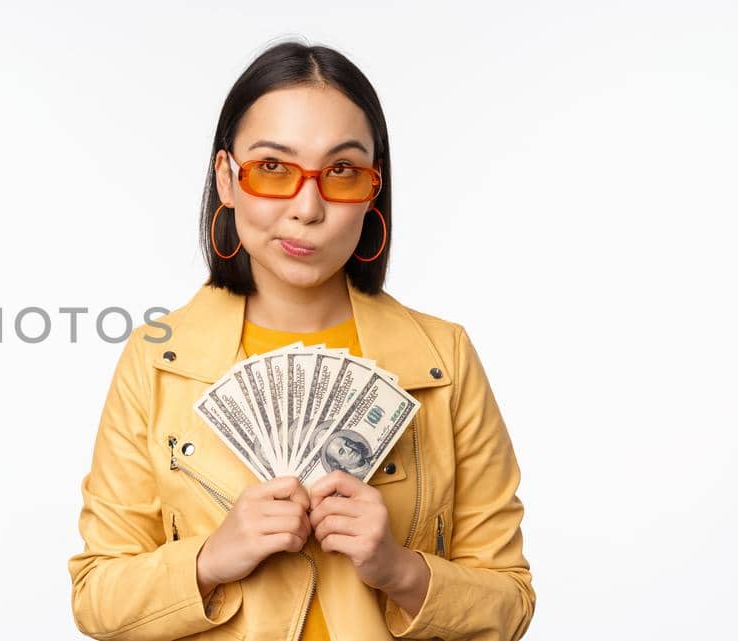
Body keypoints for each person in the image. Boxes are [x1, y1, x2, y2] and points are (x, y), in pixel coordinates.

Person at [67, 40, 534, 641]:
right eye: (273, 169)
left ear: (372, 191)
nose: (307, 208)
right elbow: (96, 599)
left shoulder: (443, 358)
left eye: (341, 171)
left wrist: (400, 570)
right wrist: (210, 559)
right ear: (227, 180)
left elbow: (511, 602)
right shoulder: (158, 358)